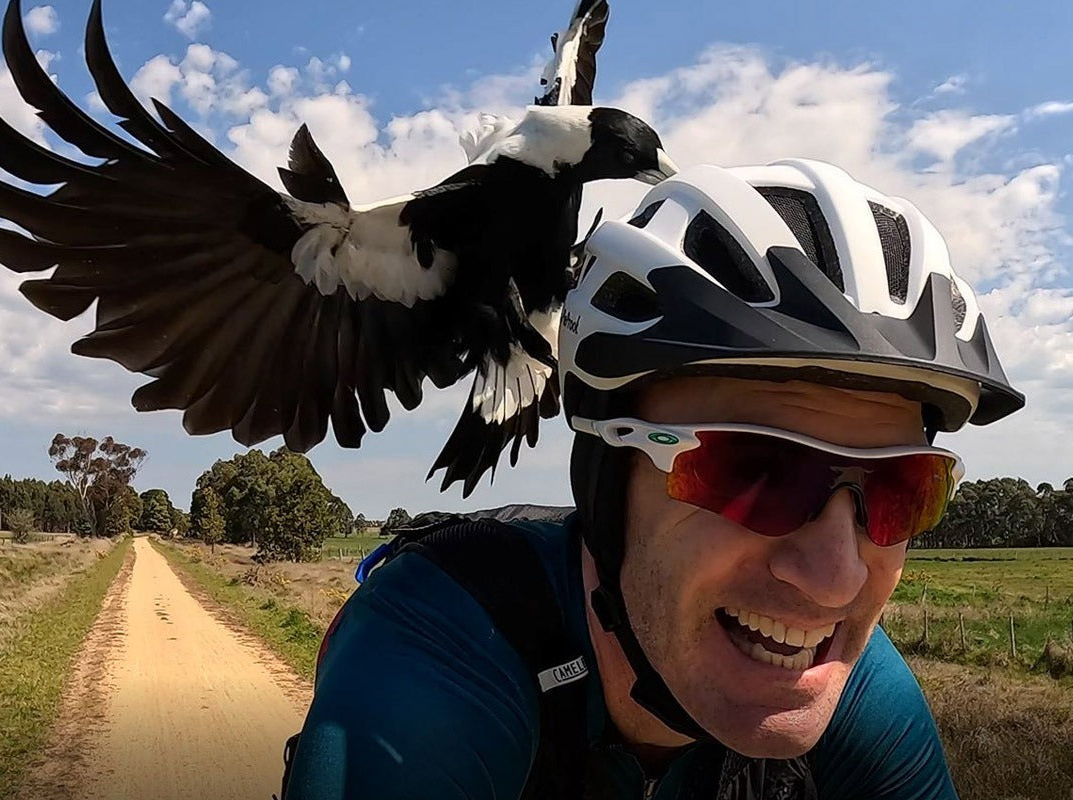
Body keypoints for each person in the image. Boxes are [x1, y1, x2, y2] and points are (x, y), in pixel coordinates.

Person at [280, 158, 1024, 799]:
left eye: (902, 492)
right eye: (755, 472)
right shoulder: (435, 651)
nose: (835, 579)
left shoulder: (852, 680)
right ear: (607, 481)